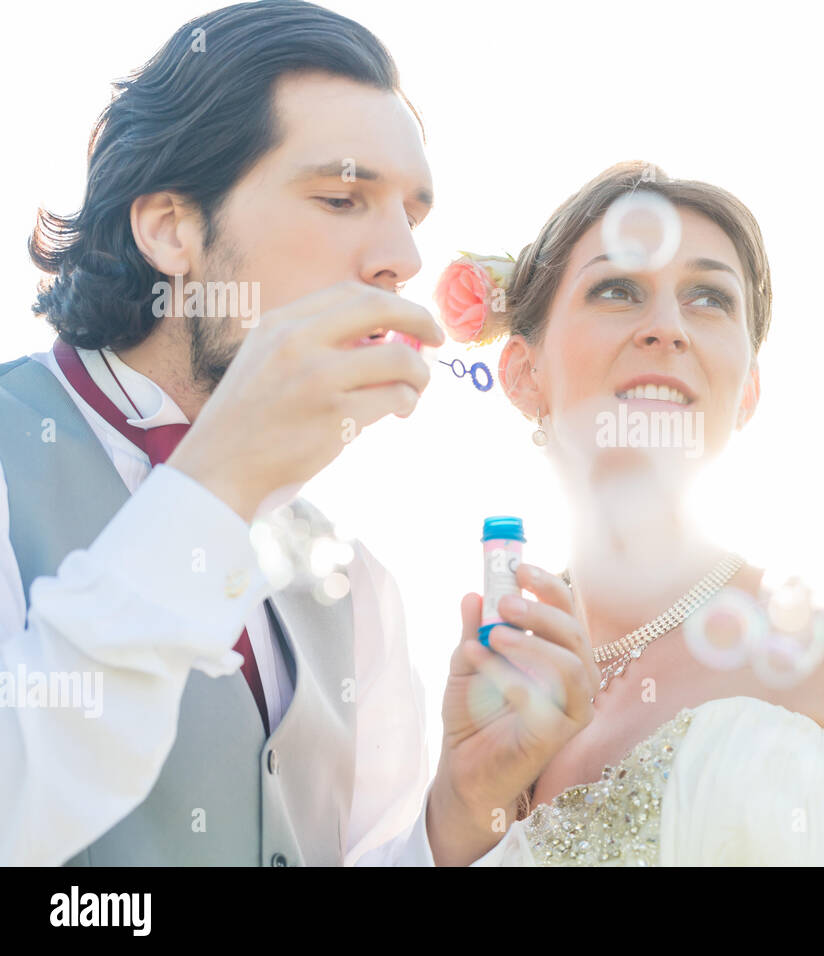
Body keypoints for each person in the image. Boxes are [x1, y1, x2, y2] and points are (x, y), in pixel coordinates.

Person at [0, 0, 593, 867]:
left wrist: (457, 816)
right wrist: (213, 488)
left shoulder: (355, 588)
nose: (402, 259)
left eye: (411, 216)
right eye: (342, 197)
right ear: (172, 228)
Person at [443, 161, 824, 865]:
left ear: (747, 391)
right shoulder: (492, 709)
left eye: (709, 298)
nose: (667, 327)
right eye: (618, 289)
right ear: (524, 373)